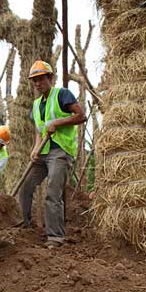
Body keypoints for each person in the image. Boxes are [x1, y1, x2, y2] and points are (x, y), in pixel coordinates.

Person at [19, 60, 86, 248]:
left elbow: (81, 116)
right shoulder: (35, 105)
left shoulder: (62, 94)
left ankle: (55, 237)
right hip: (43, 152)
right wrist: (35, 147)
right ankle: (23, 225)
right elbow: (39, 131)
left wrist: (57, 123)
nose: (38, 83)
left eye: (41, 79)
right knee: (26, 185)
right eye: (35, 81)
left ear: (51, 78)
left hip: (60, 152)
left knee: (52, 192)